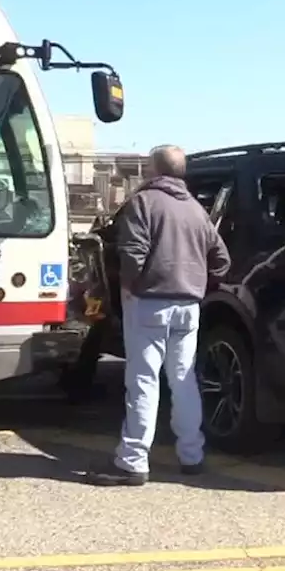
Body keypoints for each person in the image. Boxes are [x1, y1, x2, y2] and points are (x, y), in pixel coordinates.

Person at [85, 145, 232, 486]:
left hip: (149, 302)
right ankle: (192, 455)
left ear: (154, 170)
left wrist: (130, 287)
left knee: (143, 381)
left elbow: (133, 255)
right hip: (189, 307)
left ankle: (133, 461)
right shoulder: (197, 211)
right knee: (183, 381)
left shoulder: (144, 203)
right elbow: (222, 260)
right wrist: (198, 284)